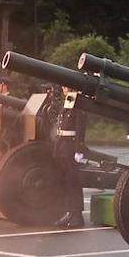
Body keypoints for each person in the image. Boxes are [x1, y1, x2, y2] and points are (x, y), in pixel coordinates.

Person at [53, 86, 88, 228]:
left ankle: (77, 216)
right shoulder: (70, 100)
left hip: (70, 146)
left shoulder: (78, 102)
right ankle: (70, 212)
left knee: (73, 183)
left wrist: (79, 149)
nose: (63, 89)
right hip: (63, 146)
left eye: (65, 86)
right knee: (67, 182)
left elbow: (80, 127)